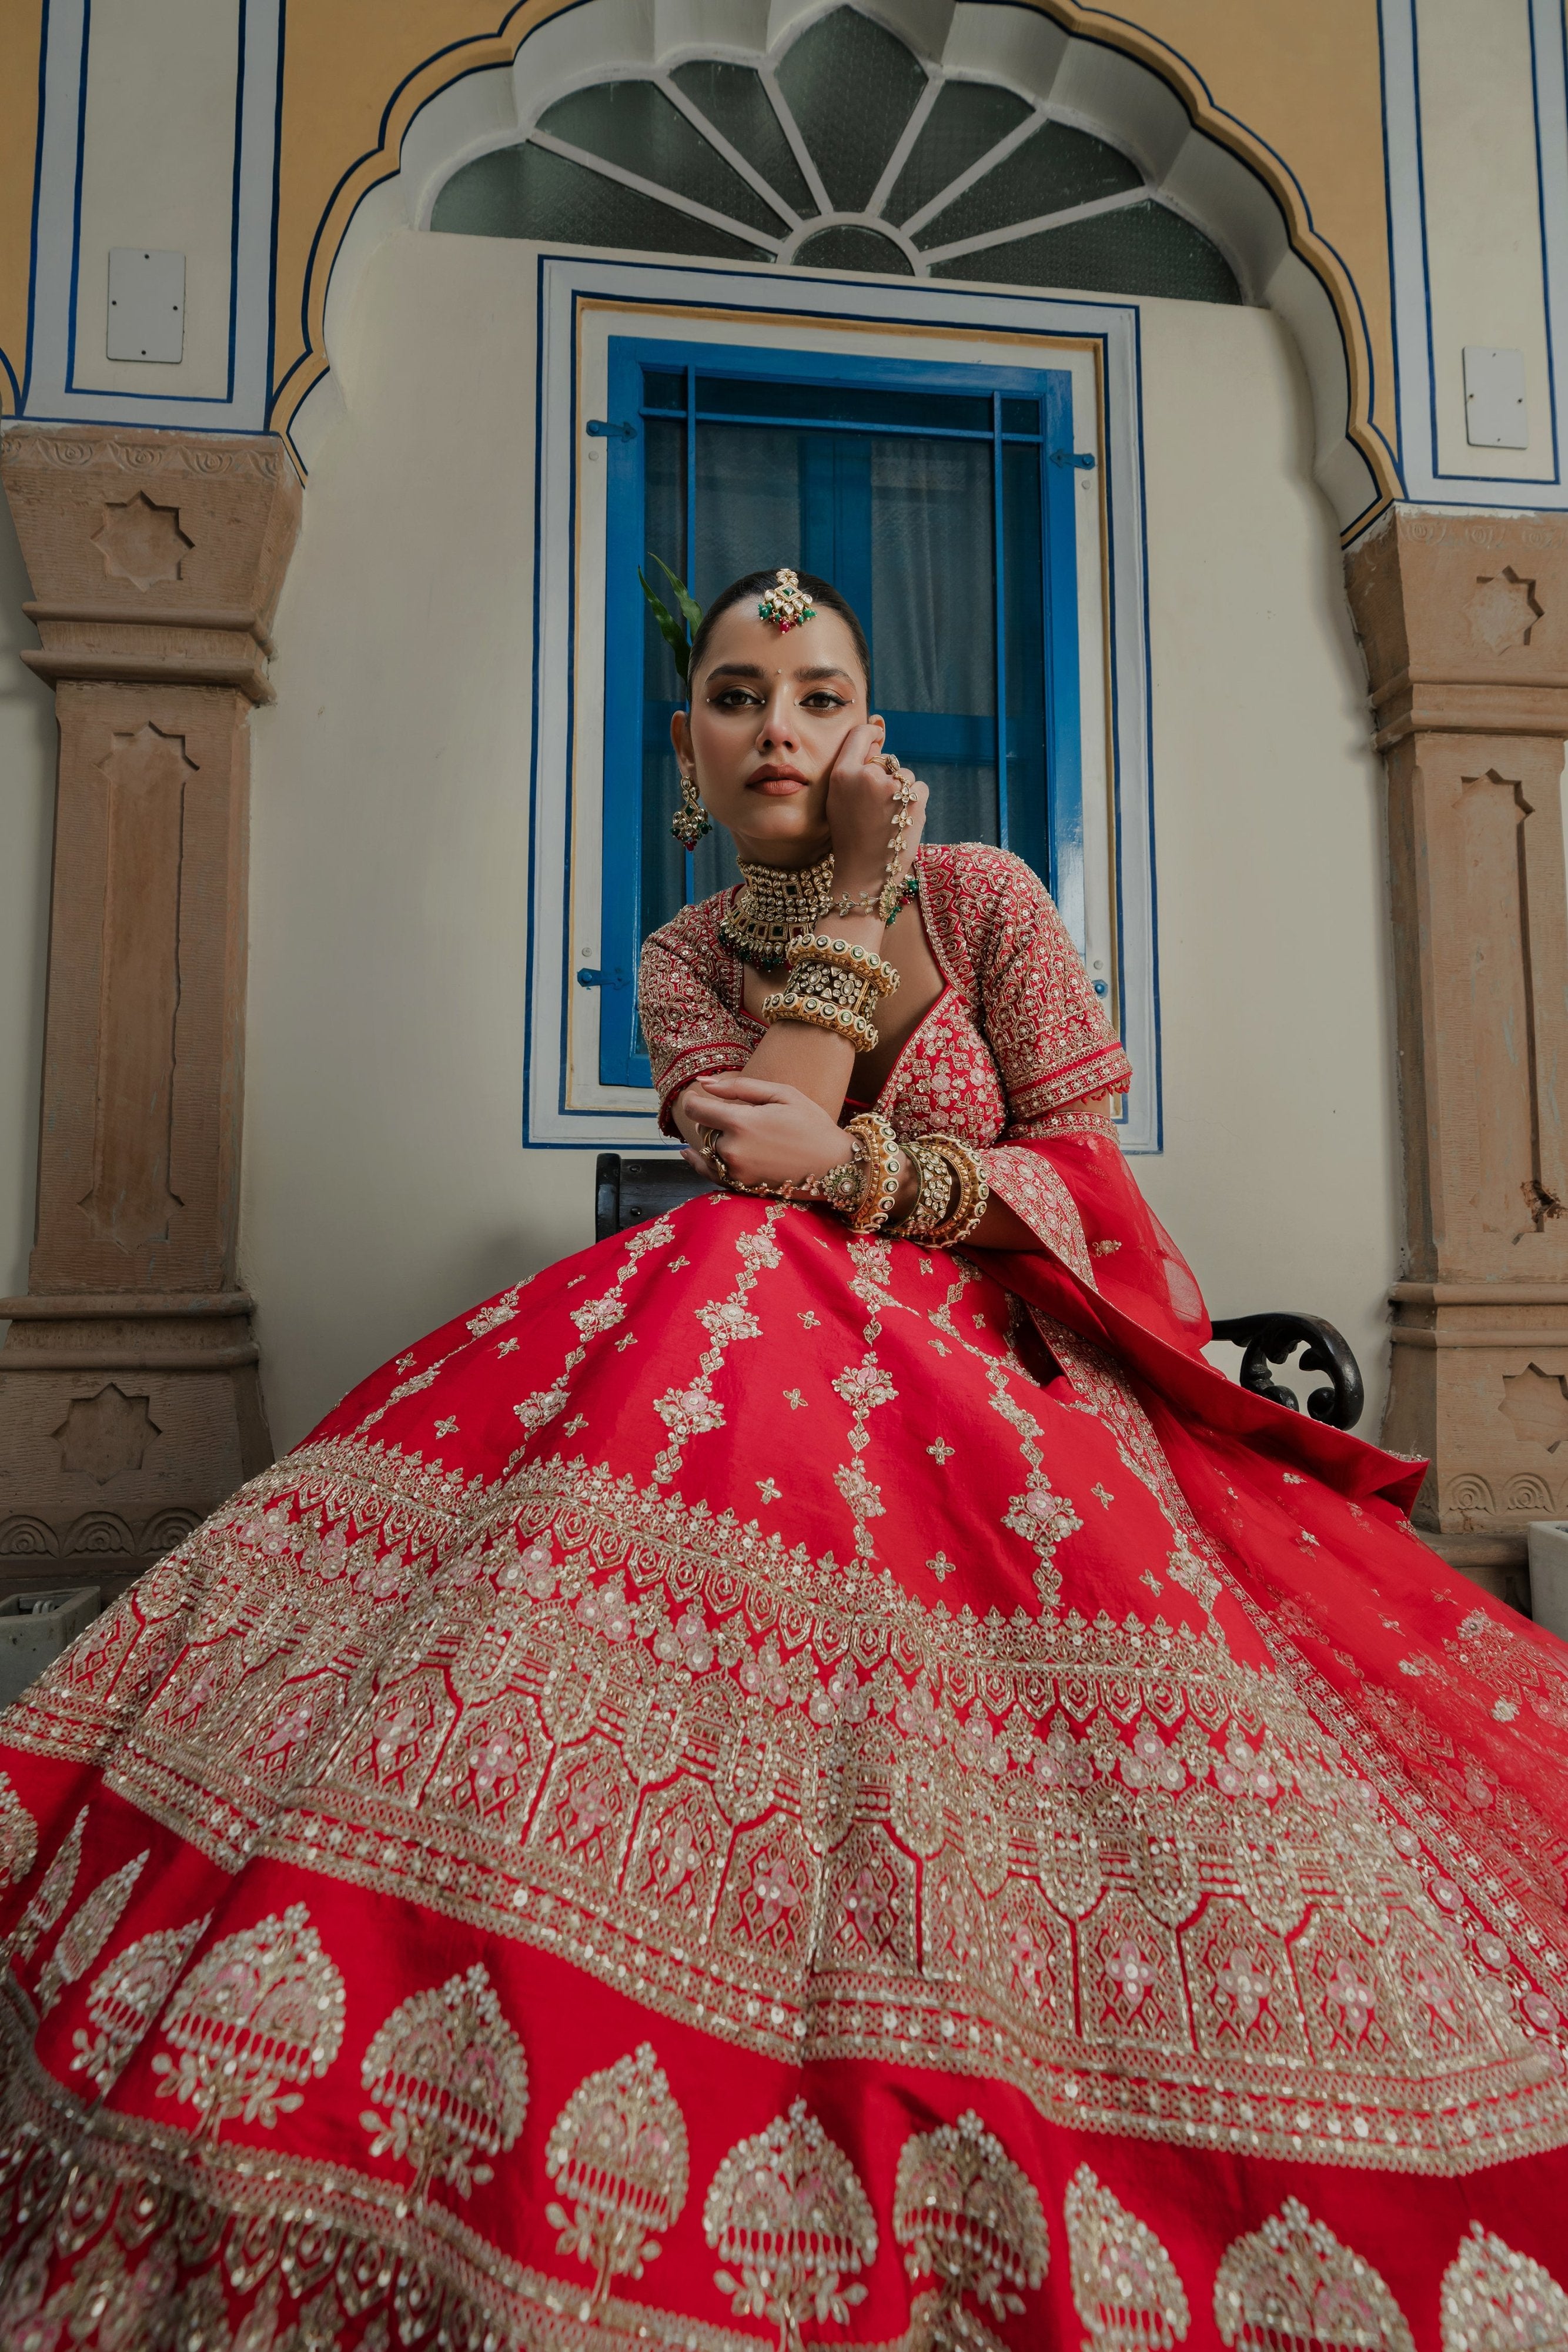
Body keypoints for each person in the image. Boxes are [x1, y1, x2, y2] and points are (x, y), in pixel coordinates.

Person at [0, 567, 1563, 2352]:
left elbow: (1092, 1183)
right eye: (737, 697)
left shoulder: (985, 901)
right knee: (725, 1263)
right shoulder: (683, 957)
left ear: (867, 726)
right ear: (687, 745)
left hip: (1002, 1361)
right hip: (769, 1354)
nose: (777, 729)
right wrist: (838, 906)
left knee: (733, 1266)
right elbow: (758, 1163)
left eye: (816, 695)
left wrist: (882, 1173)